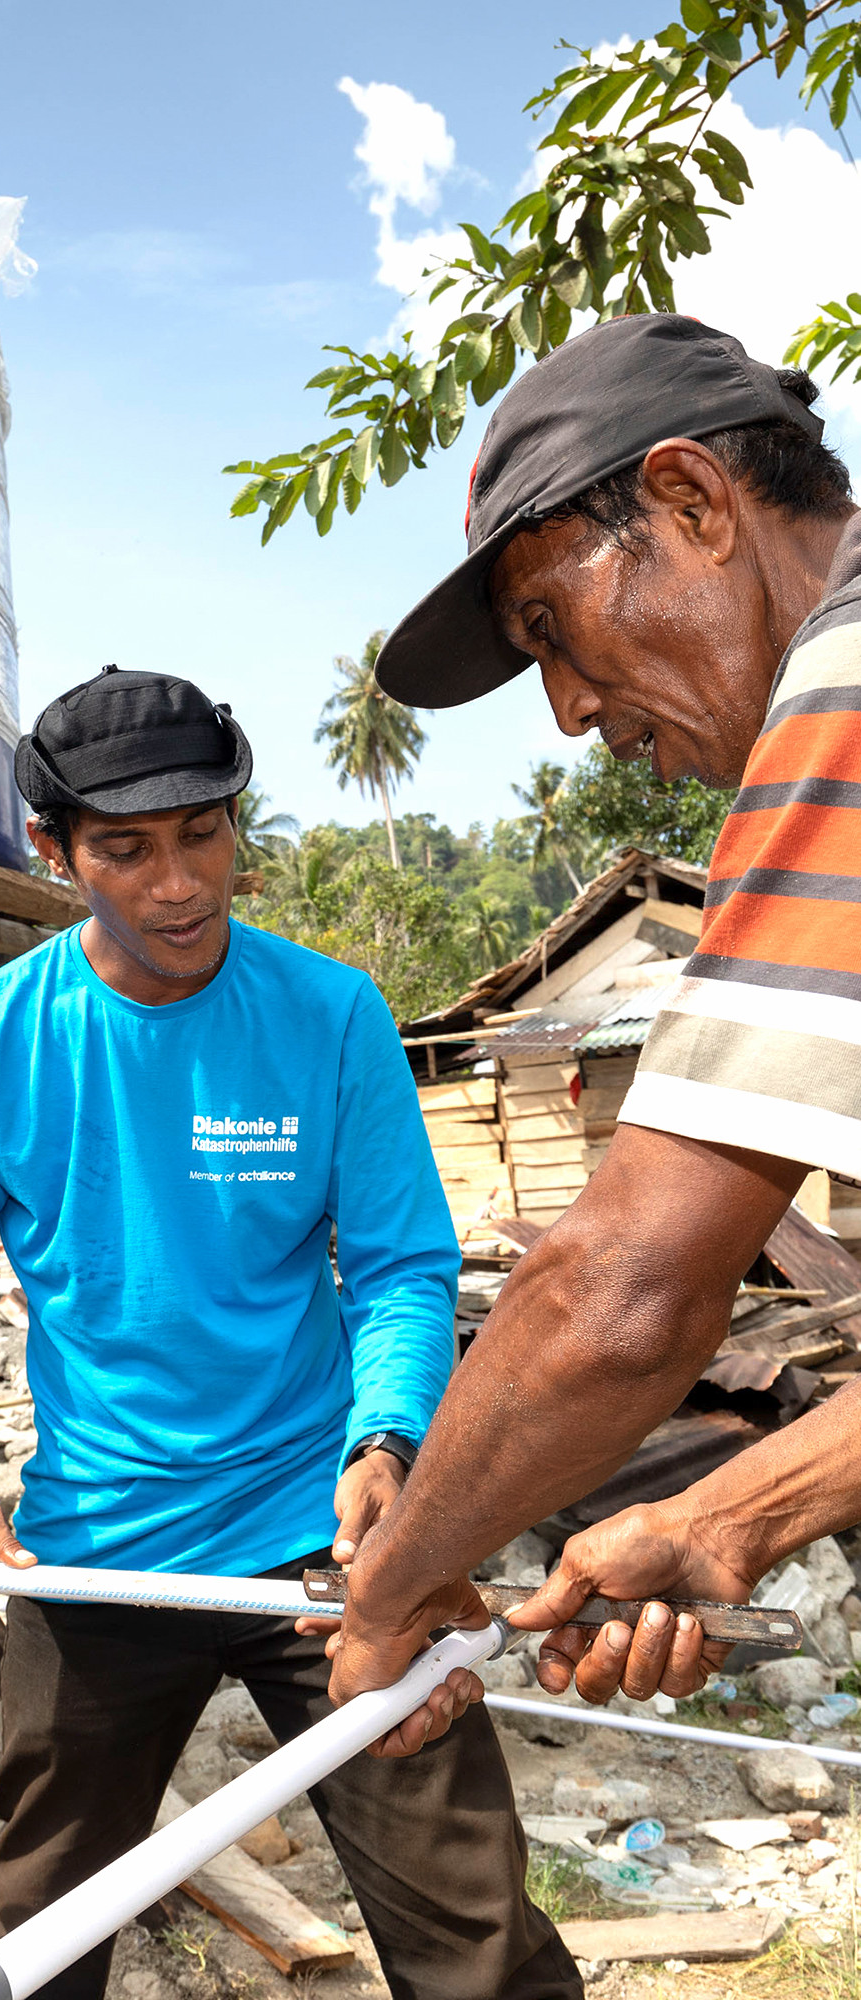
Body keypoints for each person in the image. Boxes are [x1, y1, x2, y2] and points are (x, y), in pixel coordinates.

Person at [0, 665, 579, 1999]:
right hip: (103, 1556)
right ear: (54, 851)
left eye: (205, 836)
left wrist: (391, 1438)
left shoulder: (332, 1015)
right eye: (127, 852)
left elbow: (402, 1268)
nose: (181, 885)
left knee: (475, 1937)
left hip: (329, 1543)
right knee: (38, 1941)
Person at [323, 313, 861, 1737]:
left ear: (694, 503)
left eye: (554, 630)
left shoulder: (850, 680)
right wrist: (735, 1513)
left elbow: (624, 1293)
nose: (566, 712)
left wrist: (394, 1592)